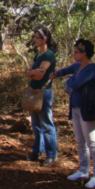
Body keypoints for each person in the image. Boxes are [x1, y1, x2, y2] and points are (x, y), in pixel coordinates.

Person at [50, 39, 95, 188]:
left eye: (76, 52)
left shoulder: (91, 69)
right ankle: (83, 170)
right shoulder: (78, 66)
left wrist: (69, 79)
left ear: (84, 53)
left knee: (92, 142)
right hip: (76, 108)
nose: (73, 54)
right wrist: (56, 74)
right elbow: (66, 70)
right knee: (81, 141)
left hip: (88, 110)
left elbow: (76, 84)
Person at [25, 28, 58, 167]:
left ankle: (51, 154)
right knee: (36, 124)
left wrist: (31, 73)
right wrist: (32, 72)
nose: (34, 39)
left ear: (44, 40)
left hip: (44, 93)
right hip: (33, 92)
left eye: (37, 37)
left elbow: (40, 75)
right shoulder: (38, 56)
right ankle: (38, 150)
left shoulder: (49, 55)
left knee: (46, 123)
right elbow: (29, 73)